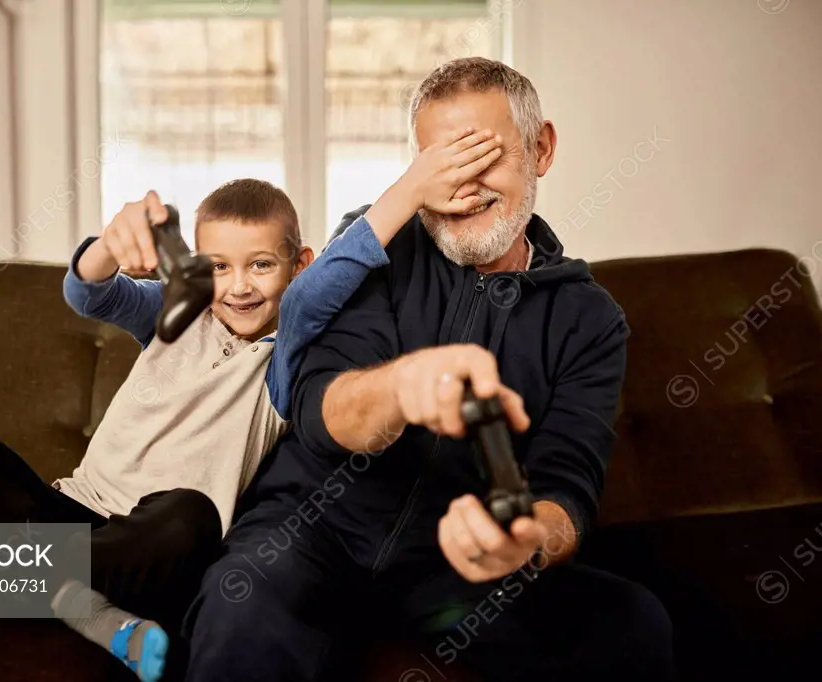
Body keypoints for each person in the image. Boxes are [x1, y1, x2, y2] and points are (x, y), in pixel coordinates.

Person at [0, 126, 503, 682]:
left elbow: (343, 266)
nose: (238, 286)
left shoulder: (290, 351)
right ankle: (71, 601)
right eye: (218, 267)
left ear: (299, 266)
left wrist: (411, 187)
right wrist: (110, 245)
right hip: (70, 514)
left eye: (261, 266)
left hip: (151, 547)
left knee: (190, 515)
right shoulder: (177, 312)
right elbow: (88, 293)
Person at [182, 57, 674, 682]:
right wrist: (402, 388)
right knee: (241, 598)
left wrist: (528, 537)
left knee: (632, 622)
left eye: (484, 155)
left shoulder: (589, 318)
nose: (463, 186)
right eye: (444, 162)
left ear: (541, 149)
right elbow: (317, 411)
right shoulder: (377, 250)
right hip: (311, 534)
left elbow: (567, 485)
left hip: (453, 566)